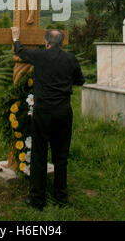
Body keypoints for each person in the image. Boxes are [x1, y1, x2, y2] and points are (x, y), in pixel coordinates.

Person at [11, 26, 85, 210]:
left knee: (39, 155)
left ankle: (37, 199)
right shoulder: (71, 59)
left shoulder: (40, 55)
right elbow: (80, 80)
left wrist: (15, 38)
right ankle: (61, 198)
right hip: (63, 112)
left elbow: (20, 52)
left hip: (43, 112)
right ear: (61, 43)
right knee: (61, 157)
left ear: (46, 43)